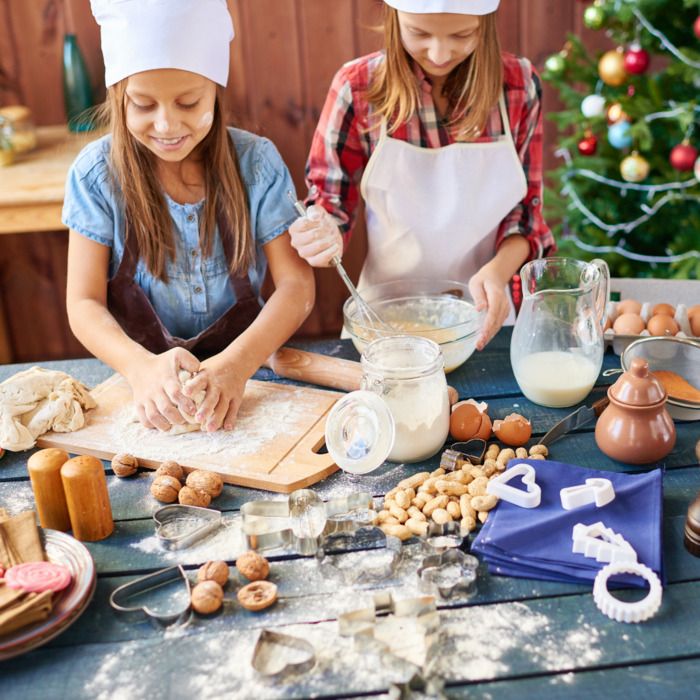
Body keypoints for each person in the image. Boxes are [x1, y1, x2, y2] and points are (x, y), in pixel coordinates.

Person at [64, 0, 314, 433]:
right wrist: (141, 369)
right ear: (118, 97)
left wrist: (237, 365)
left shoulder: (257, 165)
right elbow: (82, 303)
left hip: (246, 382)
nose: (166, 124)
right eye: (143, 104)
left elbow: (297, 285)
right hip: (138, 390)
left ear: (215, 90)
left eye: (187, 101)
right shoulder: (95, 175)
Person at [289, 0, 555, 350]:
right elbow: (330, 201)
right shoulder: (357, 88)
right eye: (419, 32)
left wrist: (498, 272)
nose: (440, 53)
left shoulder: (520, 86)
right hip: (384, 321)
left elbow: (525, 215)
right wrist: (323, 234)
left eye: (462, 34)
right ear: (394, 18)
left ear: (485, 24)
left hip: (486, 316)